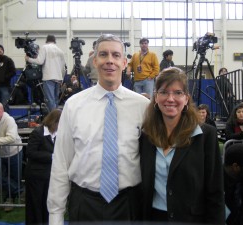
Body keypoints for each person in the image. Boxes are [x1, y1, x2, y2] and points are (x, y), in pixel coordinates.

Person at [47, 34, 150, 225]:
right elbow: (61, 162)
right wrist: (55, 214)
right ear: (95, 60)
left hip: (129, 203)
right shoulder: (73, 105)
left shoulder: (143, 106)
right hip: (85, 203)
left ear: (125, 62)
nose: (109, 60)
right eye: (103, 54)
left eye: (115, 55)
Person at [140, 67, 224, 223]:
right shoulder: (146, 136)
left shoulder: (205, 136)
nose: (170, 98)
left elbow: (215, 192)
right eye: (164, 92)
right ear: (156, 97)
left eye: (178, 92)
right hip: (153, 218)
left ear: (186, 98)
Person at [25, 109, 62, 225]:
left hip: (50, 176)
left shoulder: (58, 134)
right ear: (54, 121)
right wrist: (52, 156)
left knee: (47, 203)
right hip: (36, 176)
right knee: (35, 204)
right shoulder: (37, 133)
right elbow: (30, 153)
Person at [25, 35, 66, 112]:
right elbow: (63, 67)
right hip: (58, 78)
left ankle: (53, 120)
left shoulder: (45, 47)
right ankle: (56, 118)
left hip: (48, 77)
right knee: (55, 100)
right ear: (55, 41)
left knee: (50, 100)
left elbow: (40, 61)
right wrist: (62, 79)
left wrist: (29, 59)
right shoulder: (60, 51)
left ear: (46, 40)